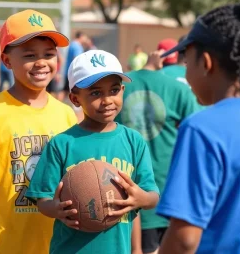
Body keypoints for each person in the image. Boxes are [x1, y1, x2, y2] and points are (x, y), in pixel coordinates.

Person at [157, 0, 240, 254]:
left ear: (206, 62)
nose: (184, 70)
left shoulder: (201, 129)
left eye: (186, 60)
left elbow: (184, 239)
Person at [26, 49, 160, 254]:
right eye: (96, 93)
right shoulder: (62, 144)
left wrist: (140, 200)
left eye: (114, 90)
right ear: (75, 99)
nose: (107, 100)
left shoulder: (134, 141)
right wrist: (56, 209)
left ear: (123, 90)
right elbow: (42, 199)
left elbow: (150, 197)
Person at [0, 9, 78, 254]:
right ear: (7, 61)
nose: (41, 62)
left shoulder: (66, 115)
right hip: (0, 247)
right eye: (30, 55)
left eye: (49, 54)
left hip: (54, 245)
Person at [117, 49, 201, 254]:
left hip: (124, 195)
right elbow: (198, 136)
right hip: (171, 198)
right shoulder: (181, 89)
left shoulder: (118, 88)